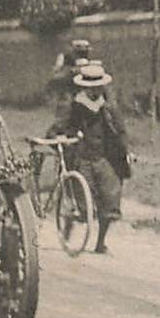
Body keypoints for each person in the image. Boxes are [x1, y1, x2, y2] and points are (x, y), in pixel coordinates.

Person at [52, 61, 132, 254]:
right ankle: (72, 219)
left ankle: (100, 242)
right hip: (82, 158)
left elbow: (120, 131)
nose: (94, 90)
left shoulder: (109, 106)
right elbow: (60, 126)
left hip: (105, 158)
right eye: (90, 86)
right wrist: (59, 136)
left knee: (110, 199)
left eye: (98, 85)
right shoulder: (75, 105)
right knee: (84, 204)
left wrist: (125, 151)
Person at [48, 38, 93, 111]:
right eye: (82, 50)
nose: (85, 52)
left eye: (85, 50)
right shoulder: (63, 56)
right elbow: (57, 69)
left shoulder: (86, 60)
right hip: (67, 79)